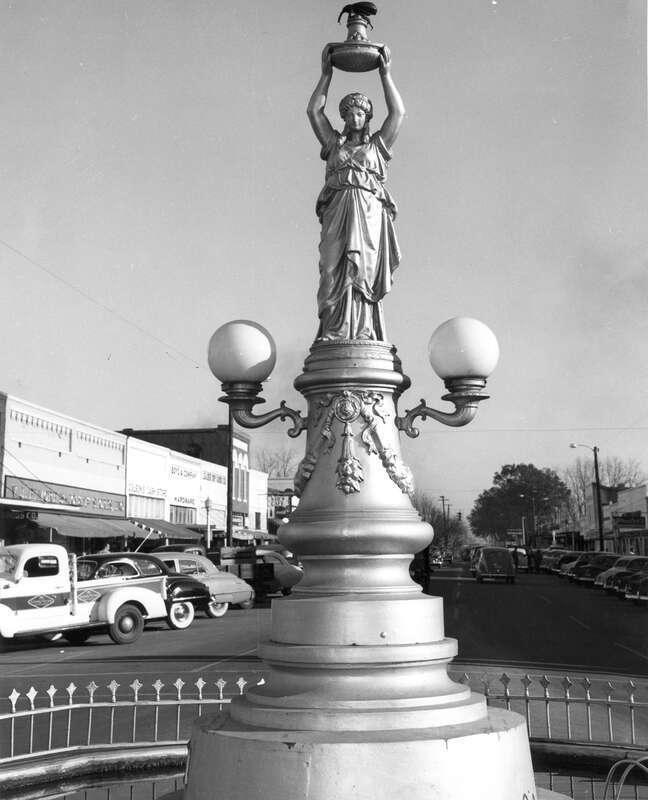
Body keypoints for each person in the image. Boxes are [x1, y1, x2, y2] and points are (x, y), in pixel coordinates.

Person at [307, 45, 405, 341]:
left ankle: (365, 331)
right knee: (332, 272)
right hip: (337, 212)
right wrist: (326, 75)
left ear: (368, 116)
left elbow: (398, 113)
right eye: (349, 114)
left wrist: (385, 75)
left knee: (363, 271)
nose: (354, 118)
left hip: (368, 213)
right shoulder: (333, 145)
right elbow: (313, 111)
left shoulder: (377, 147)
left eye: (360, 113)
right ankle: (334, 331)